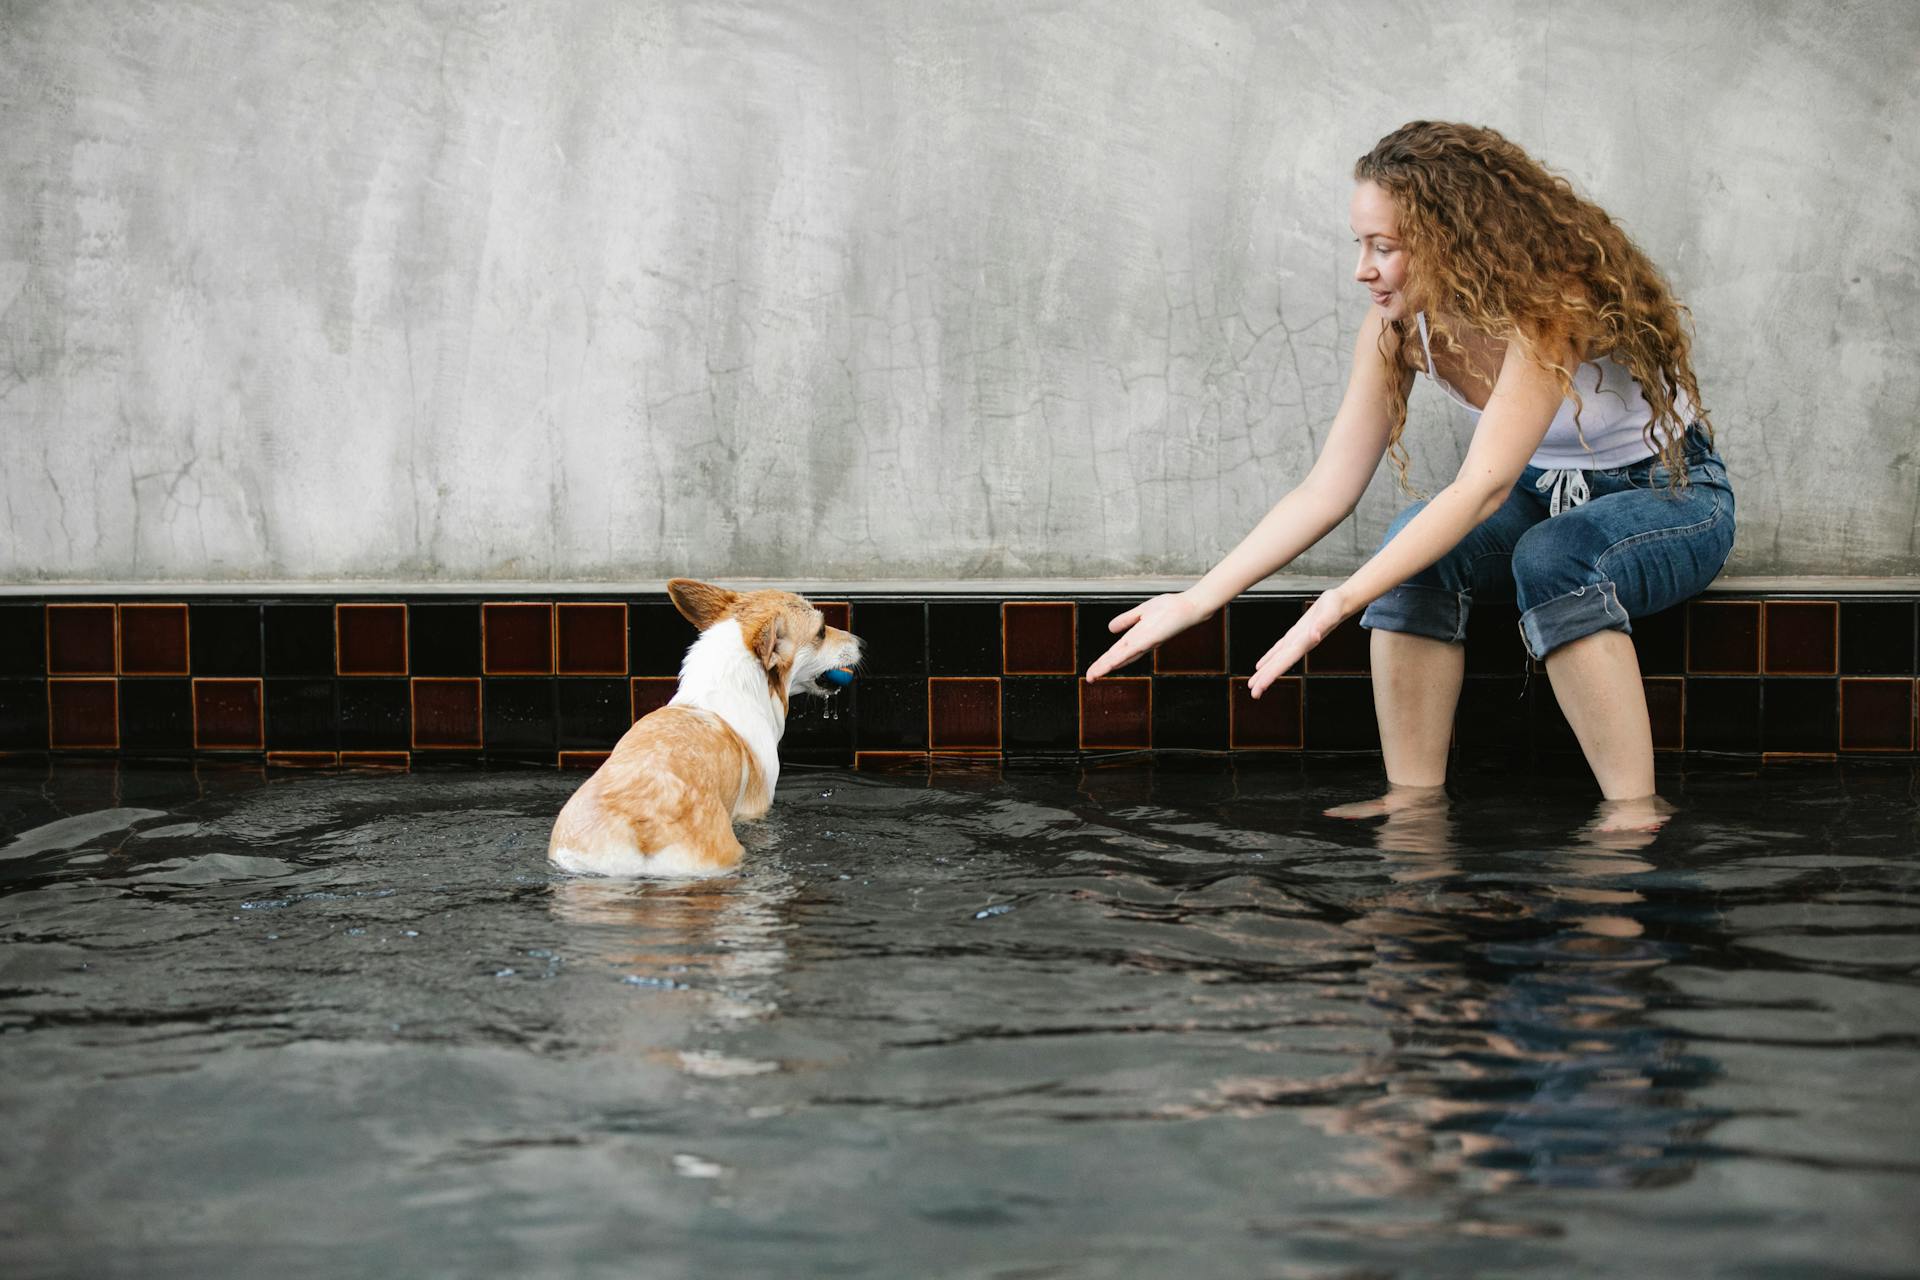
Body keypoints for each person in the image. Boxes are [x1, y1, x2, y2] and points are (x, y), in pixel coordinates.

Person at [1085, 121, 1735, 829]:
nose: (1361, 269)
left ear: (1452, 242)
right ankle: (1415, 805)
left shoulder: (1551, 305)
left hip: (1668, 494)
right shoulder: (1399, 325)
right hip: (1537, 493)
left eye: (1383, 248)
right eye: (1359, 244)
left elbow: (1481, 487)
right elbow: (1327, 488)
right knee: (1412, 544)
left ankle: (1634, 817)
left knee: (1556, 556)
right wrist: (1199, 599)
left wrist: (1337, 603)